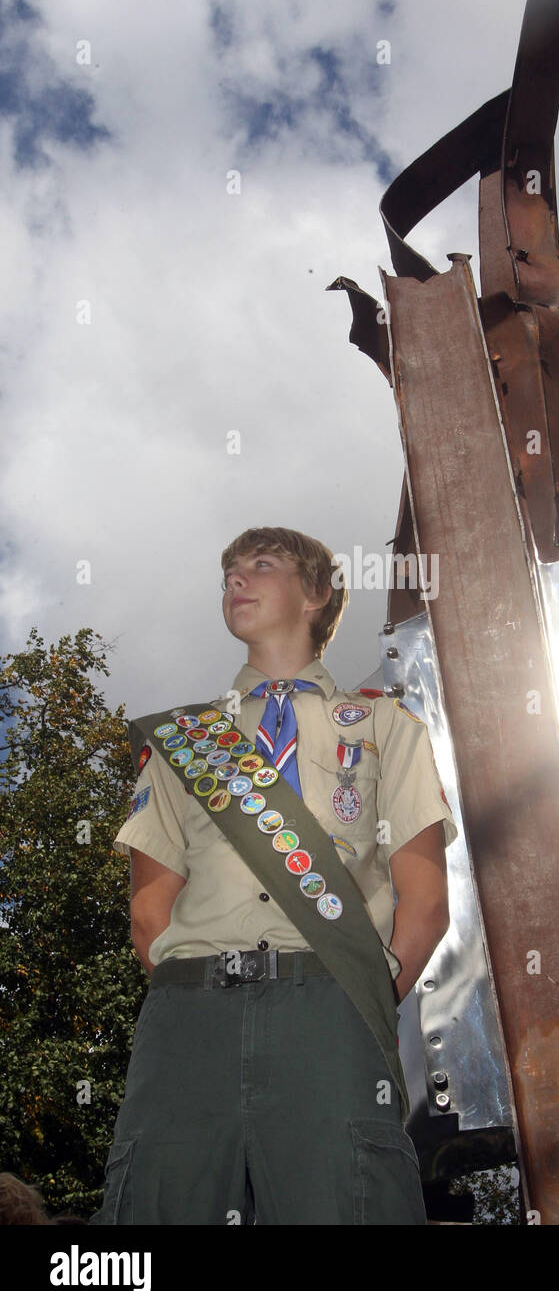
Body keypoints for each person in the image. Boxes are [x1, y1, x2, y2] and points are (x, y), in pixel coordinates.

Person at [90, 525, 456, 1225]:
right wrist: (203, 993)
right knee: (156, 1208)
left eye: (261, 565)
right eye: (228, 570)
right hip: (189, 1015)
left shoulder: (385, 725)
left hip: (331, 1007)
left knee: (349, 1201)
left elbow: (427, 903)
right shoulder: (182, 741)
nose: (235, 579)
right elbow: (148, 911)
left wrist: (357, 1001)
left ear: (318, 594)